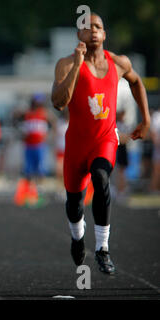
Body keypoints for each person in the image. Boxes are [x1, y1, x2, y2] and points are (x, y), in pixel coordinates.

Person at [51, 13, 150, 274]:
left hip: (104, 139)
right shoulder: (66, 64)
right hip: (76, 144)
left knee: (101, 178)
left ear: (104, 34)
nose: (93, 31)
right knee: (74, 203)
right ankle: (77, 237)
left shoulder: (119, 63)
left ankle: (102, 249)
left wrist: (146, 119)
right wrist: (76, 65)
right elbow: (59, 102)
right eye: (87, 27)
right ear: (79, 36)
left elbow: (137, 81)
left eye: (98, 27)